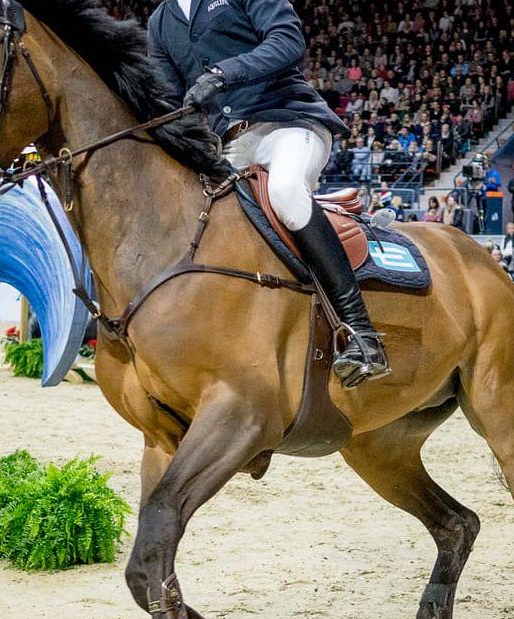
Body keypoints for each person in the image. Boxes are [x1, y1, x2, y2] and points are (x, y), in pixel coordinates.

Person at [149, 0, 388, 385]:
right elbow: (167, 97)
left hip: (287, 124)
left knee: (286, 192)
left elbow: (287, 40)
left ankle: (360, 333)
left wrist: (223, 73)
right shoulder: (161, 21)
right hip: (224, 146)